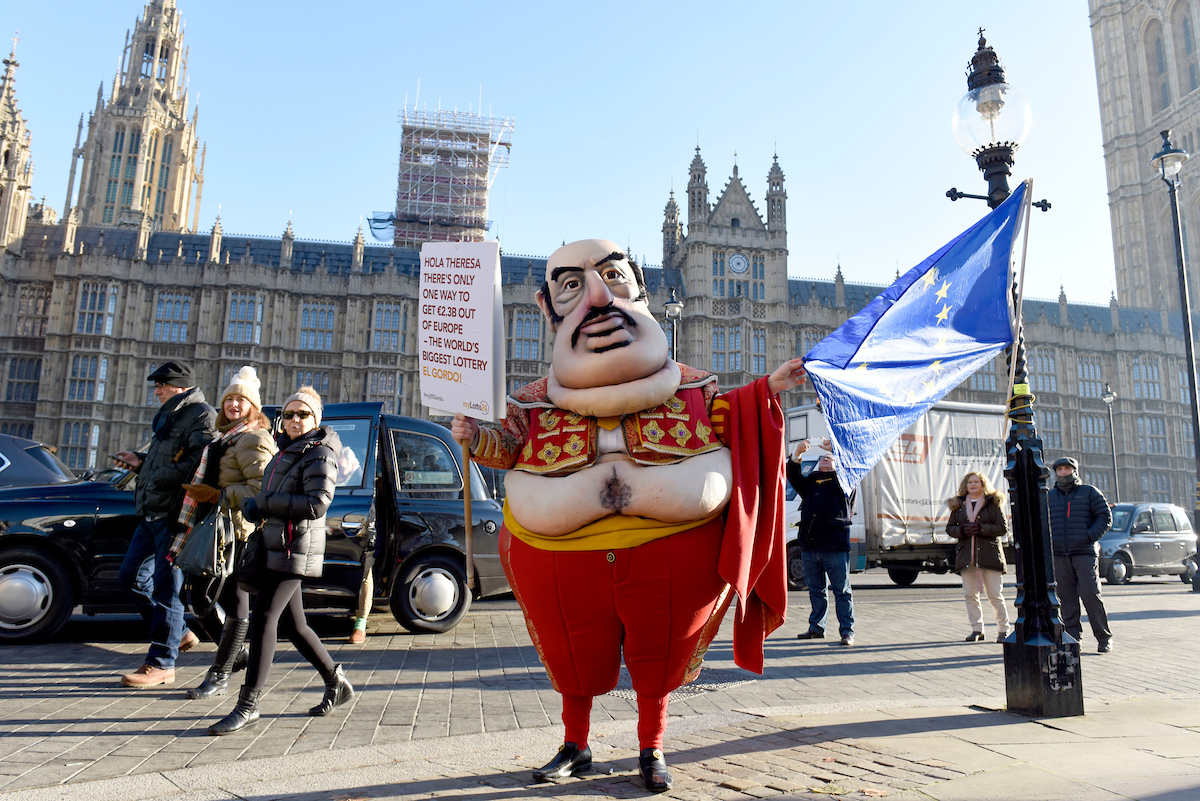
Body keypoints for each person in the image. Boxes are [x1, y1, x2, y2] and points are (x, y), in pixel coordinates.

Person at [453, 239, 803, 792]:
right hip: (564, 553)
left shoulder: (691, 385)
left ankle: (651, 745)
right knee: (575, 655)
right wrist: (476, 438)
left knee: (657, 655)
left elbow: (728, 419)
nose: (597, 296)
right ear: (547, 307)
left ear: (642, 290)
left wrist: (766, 390)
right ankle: (575, 744)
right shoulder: (533, 400)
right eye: (573, 286)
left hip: (666, 548)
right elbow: (509, 447)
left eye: (613, 277)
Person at [207, 387, 354, 735]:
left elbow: (317, 503)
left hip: (294, 547)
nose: (294, 420)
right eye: (289, 414)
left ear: (316, 419)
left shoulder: (320, 453)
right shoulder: (286, 449)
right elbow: (273, 494)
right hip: (277, 544)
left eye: (303, 414)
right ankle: (336, 682)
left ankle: (248, 705)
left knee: (263, 619)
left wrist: (264, 504)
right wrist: (256, 505)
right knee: (294, 625)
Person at [169, 366, 277, 698]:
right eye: (229, 398)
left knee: (232, 602)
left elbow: (261, 491)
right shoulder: (223, 438)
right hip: (216, 528)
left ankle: (220, 673)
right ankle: (235, 655)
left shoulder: (255, 438)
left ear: (253, 407)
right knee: (200, 596)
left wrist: (218, 495)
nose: (233, 404)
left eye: (241, 400)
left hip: (237, 532)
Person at [116, 361, 217, 688]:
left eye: (162, 385)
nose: (156, 391)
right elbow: (169, 458)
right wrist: (141, 462)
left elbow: (200, 462)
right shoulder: (170, 414)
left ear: (181, 386)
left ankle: (162, 662)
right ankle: (180, 632)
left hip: (174, 515)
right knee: (131, 577)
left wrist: (159, 476)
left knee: (167, 588)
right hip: (152, 511)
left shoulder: (201, 414)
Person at [787, 438, 856, 646]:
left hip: (834, 545)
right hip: (810, 546)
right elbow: (793, 475)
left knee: (841, 591)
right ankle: (816, 627)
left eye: (829, 458)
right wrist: (797, 454)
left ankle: (847, 631)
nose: (825, 459)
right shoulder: (810, 482)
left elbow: (850, 469)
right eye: (823, 458)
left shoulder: (843, 483)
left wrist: (835, 449)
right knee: (816, 590)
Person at [1048, 456, 1114, 653]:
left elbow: (1105, 517)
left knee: (1090, 593)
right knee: (1066, 598)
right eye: (1060, 470)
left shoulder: (1089, 492)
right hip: (1060, 554)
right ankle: (1072, 638)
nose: (1063, 472)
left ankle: (1103, 637)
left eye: (1067, 469)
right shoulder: (1049, 496)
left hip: (1084, 552)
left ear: (1074, 471)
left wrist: (1089, 536)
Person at [946, 471, 1009, 643]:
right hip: (967, 557)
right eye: (970, 482)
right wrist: (961, 530)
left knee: (994, 594)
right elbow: (950, 528)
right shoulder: (958, 505)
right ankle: (977, 629)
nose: (973, 484)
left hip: (990, 556)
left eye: (976, 482)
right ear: (965, 486)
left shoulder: (992, 503)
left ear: (983, 484)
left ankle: (1003, 630)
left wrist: (981, 528)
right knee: (970, 595)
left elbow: (1002, 528)